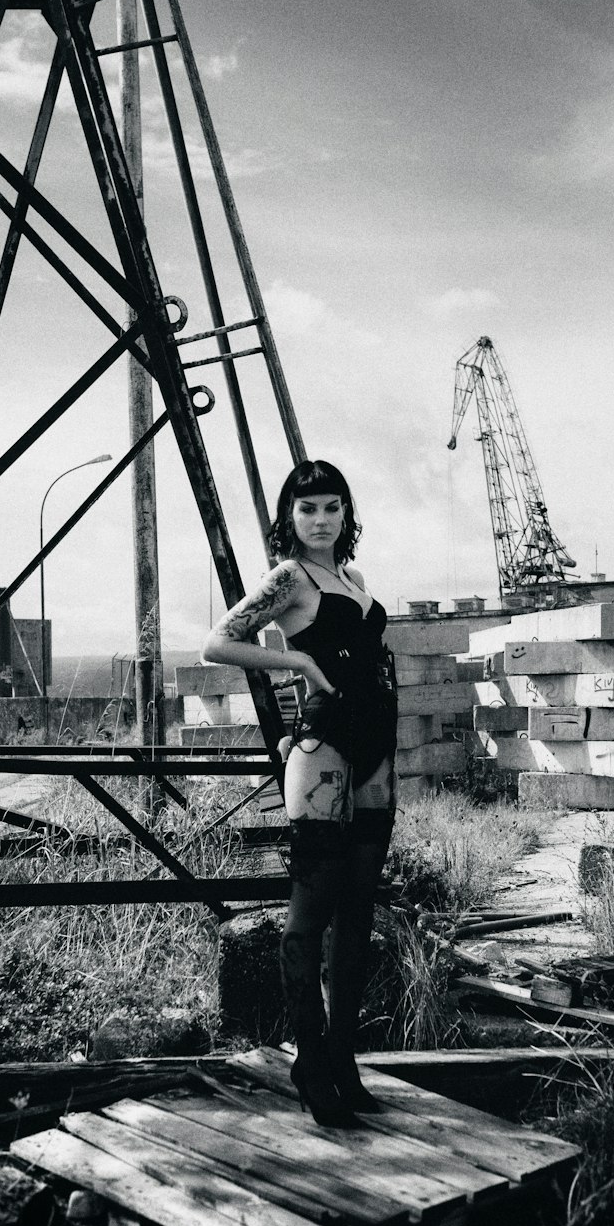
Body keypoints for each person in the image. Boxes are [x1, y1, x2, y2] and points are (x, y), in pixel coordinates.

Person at [203, 459, 398, 1126]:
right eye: (307, 508)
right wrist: (300, 662)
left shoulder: (354, 580)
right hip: (323, 751)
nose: (319, 520)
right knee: (310, 915)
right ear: (290, 517)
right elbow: (218, 643)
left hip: (375, 750)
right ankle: (310, 1062)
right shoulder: (289, 579)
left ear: (347, 515)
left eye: (331, 508)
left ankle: (344, 1059)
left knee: (358, 914)